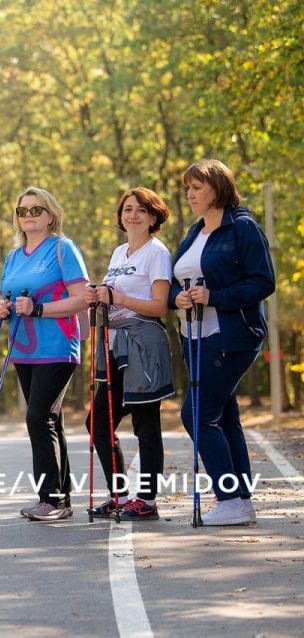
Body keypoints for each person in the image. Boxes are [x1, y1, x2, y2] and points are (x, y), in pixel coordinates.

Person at [172, 159, 275, 526]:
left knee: (196, 414)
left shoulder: (242, 228)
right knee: (225, 416)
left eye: (197, 187)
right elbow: (177, 280)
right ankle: (240, 499)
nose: (190, 194)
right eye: (188, 188)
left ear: (218, 187)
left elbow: (263, 282)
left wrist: (213, 295)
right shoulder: (195, 231)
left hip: (231, 336)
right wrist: (177, 298)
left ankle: (229, 498)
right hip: (193, 337)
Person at [0, 187, 89, 522]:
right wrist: (3, 308)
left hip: (58, 346)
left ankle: (50, 499)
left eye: (36, 210)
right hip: (23, 348)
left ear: (50, 214)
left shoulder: (63, 249)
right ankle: (61, 498)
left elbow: (82, 298)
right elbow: (8, 297)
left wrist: (38, 309)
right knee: (51, 419)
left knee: (38, 418)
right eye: (23, 211)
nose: (29, 216)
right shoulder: (13, 256)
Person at [83, 188, 174, 521]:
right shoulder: (120, 252)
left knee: (145, 423)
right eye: (127, 209)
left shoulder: (157, 253)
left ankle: (146, 500)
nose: (132, 215)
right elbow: (111, 296)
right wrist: (98, 297)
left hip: (144, 341)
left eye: (140, 210)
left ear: (153, 217)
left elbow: (159, 306)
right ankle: (120, 495)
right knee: (98, 421)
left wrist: (116, 296)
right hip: (115, 344)